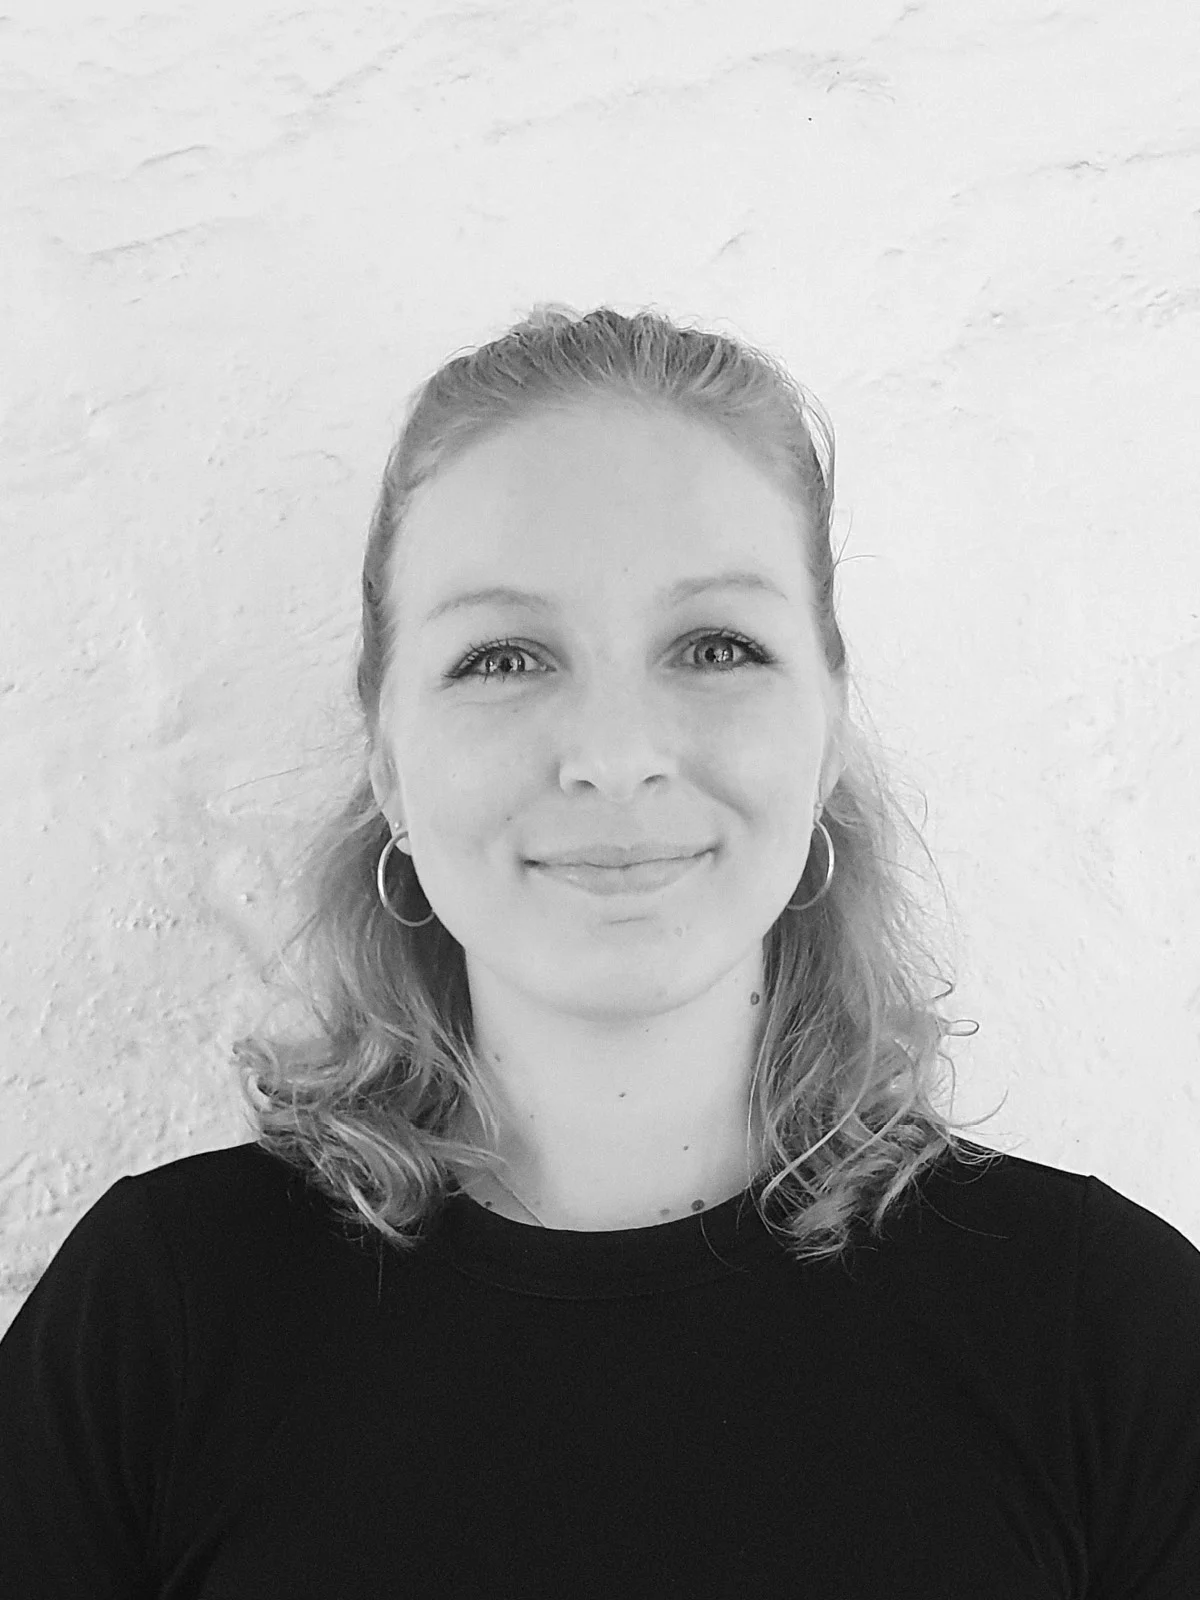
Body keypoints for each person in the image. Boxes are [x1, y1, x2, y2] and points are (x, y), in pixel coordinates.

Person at [2, 305, 1198, 1597]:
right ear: (386, 755)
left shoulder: (1107, 1337)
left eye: (716, 646)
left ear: (830, 727)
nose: (615, 753)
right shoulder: (162, 1324)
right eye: (503, 657)